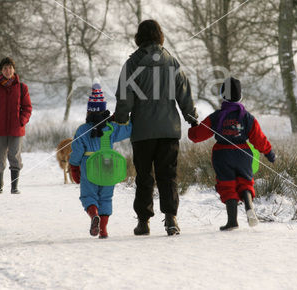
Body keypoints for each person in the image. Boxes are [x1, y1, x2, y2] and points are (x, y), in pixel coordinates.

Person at [113, 19, 198, 236]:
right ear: (160, 35)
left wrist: (121, 118)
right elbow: (184, 93)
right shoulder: (172, 62)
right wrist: (191, 117)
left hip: (142, 131)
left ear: (139, 37)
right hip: (169, 130)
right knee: (167, 175)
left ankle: (143, 222)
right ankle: (171, 219)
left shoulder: (132, 64)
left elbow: (125, 97)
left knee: (144, 176)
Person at [188, 77, 275, 231]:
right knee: (245, 183)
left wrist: (193, 127)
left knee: (227, 186)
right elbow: (258, 138)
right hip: (243, 154)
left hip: (222, 155)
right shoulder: (247, 117)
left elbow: (197, 136)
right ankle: (249, 206)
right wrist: (269, 152)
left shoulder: (217, 116)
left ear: (223, 94)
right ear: (240, 96)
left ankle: (232, 221)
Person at [69, 84, 132, 239]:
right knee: (105, 197)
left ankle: (94, 215)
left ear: (88, 110)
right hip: (108, 166)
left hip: (89, 167)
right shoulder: (111, 128)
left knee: (88, 196)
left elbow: (77, 151)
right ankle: (103, 229)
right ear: (104, 110)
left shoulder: (82, 130)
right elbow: (129, 128)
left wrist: (74, 167)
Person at [0, 57, 32, 195]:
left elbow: (27, 107)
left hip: (16, 128)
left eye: (10, 68)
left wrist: (22, 120)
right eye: (5, 68)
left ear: (14, 70)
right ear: (1, 71)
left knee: (15, 156)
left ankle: (14, 186)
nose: (8, 70)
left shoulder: (22, 88)